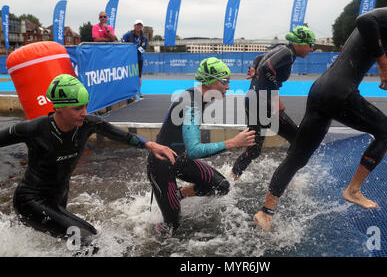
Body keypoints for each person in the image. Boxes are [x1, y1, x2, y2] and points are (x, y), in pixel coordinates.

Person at [254, 0, 387, 232]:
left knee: (298, 156)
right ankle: (353, 190)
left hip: (321, 90)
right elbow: (365, 21)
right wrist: (385, 66)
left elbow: (366, 41)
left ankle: (266, 211)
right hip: (339, 92)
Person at [0, 74, 177, 249]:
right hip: (30, 201)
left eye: (85, 106)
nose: (84, 112)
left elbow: (123, 136)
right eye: (77, 108)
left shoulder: (88, 124)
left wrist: (151, 145)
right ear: (59, 108)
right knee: (88, 241)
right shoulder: (34, 129)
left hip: (57, 199)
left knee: (90, 236)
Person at [147, 57, 255, 234]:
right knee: (172, 227)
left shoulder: (200, 96)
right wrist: (233, 142)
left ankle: (178, 194)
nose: (228, 86)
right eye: (225, 81)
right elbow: (194, 150)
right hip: (161, 165)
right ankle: (148, 239)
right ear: (211, 81)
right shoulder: (192, 103)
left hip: (180, 158)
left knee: (221, 186)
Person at [230, 26, 315, 181]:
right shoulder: (287, 54)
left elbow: (258, 60)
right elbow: (266, 68)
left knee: (254, 149)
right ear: (300, 43)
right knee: (297, 139)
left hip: (253, 99)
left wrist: (255, 70)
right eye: (311, 45)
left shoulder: (281, 48)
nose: (312, 49)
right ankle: (284, 179)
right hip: (263, 104)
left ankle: (232, 177)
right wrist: (275, 100)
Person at [121, 20, 148, 98]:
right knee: (129, 75)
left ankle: (138, 91)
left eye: (140, 25)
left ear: (142, 27)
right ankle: (128, 92)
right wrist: (130, 52)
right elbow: (123, 45)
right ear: (134, 26)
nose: (139, 26)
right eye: (137, 25)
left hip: (139, 59)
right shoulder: (127, 35)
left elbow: (143, 49)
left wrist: (134, 51)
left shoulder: (144, 38)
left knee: (139, 76)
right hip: (129, 59)